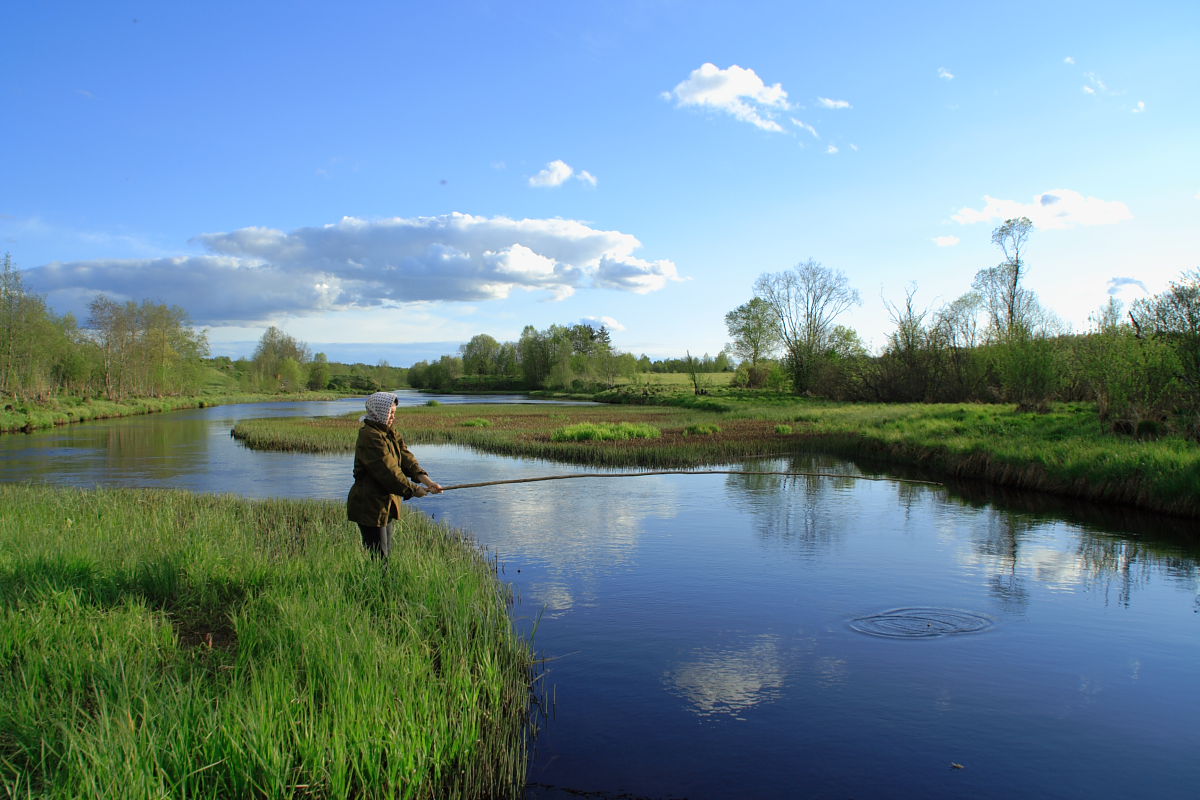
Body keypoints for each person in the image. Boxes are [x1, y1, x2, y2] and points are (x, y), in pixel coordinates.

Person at [346, 392, 442, 559]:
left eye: (394, 413)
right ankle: (375, 585)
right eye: (390, 413)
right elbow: (388, 472)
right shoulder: (370, 436)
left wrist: (427, 480)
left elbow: (406, 458)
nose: (392, 417)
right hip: (369, 504)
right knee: (379, 557)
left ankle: (384, 583)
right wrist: (413, 490)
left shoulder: (389, 431)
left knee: (386, 552)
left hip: (387, 503)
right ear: (379, 411)